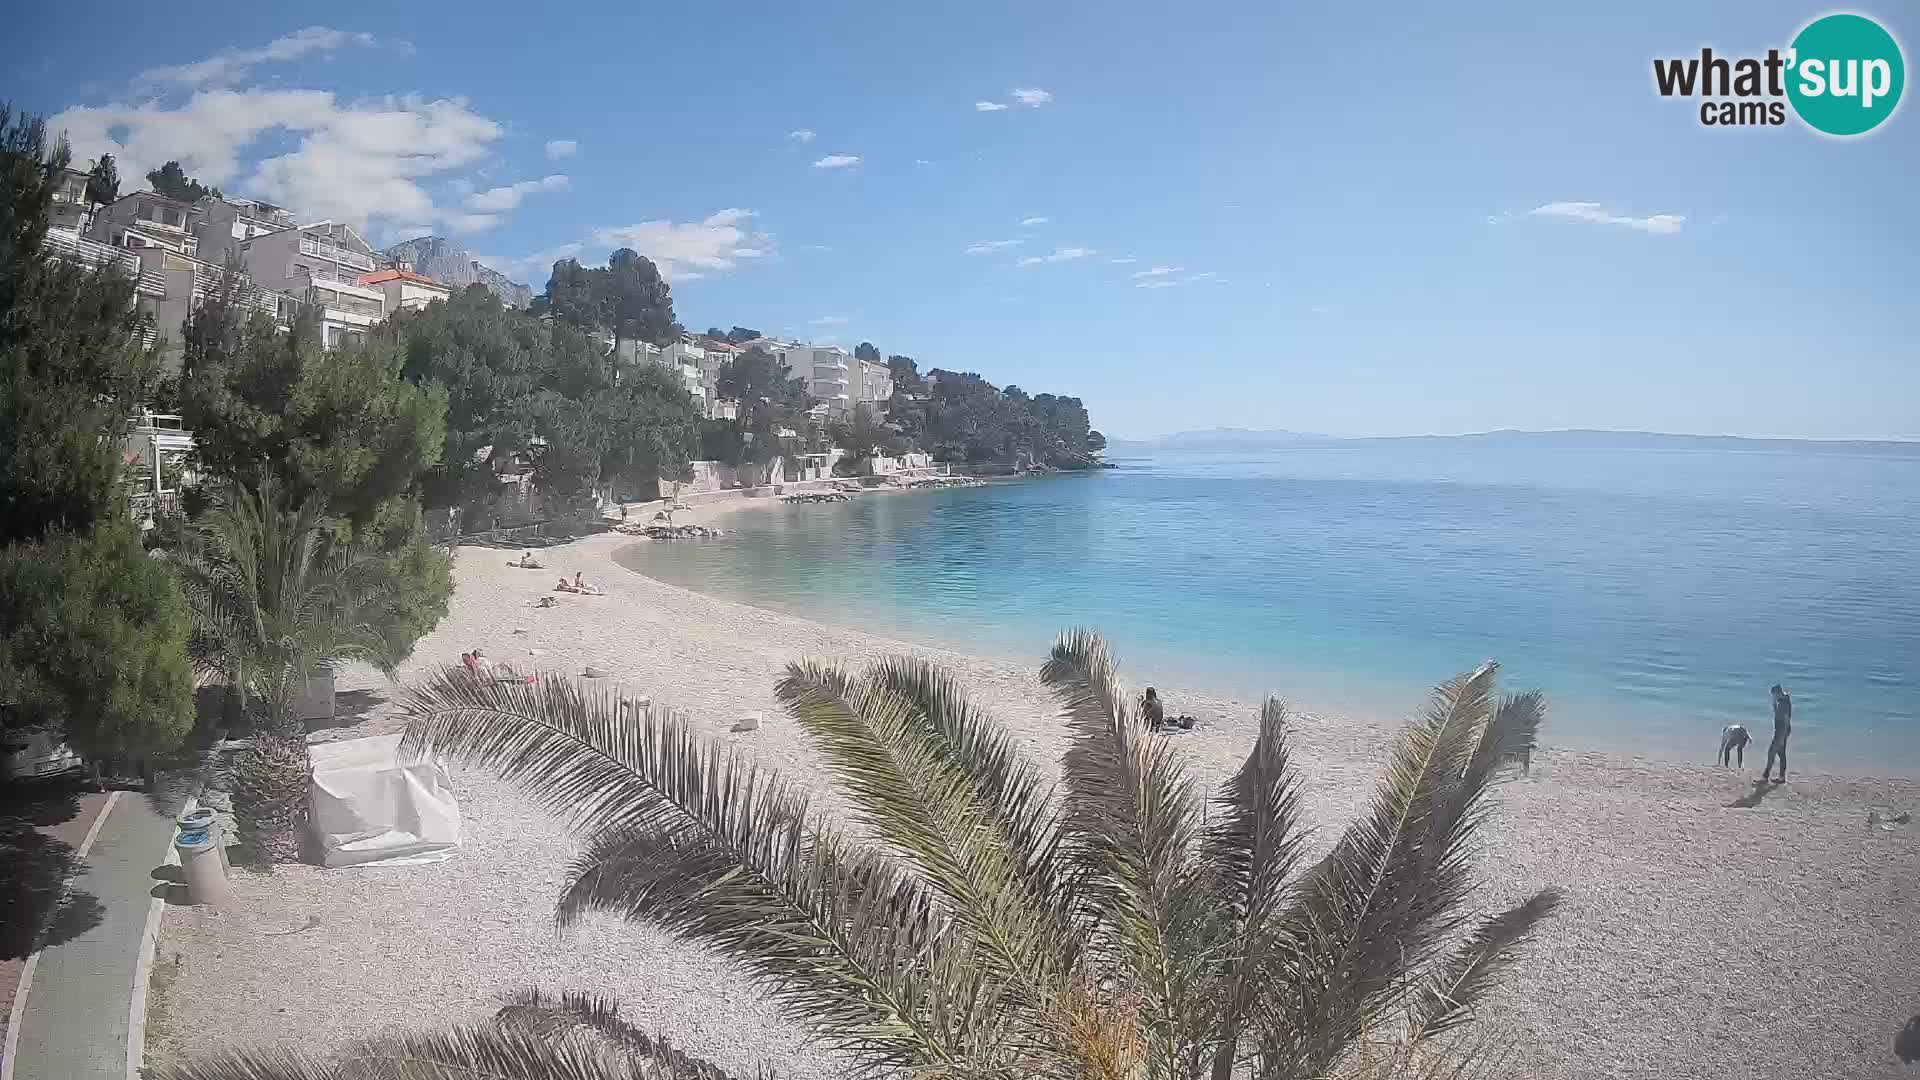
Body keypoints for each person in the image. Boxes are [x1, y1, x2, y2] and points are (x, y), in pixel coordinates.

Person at [1759, 684, 1792, 783]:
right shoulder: (1782, 701)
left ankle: (1765, 776)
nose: (1773, 697)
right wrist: (1774, 705)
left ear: (1778, 693)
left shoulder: (1784, 703)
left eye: (1774, 695)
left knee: (1771, 753)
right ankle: (1782, 778)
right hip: (1781, 731)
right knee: (1781, 754)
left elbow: (1786, 720)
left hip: (1782, 731)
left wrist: (1782, 737)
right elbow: (1778, 714)